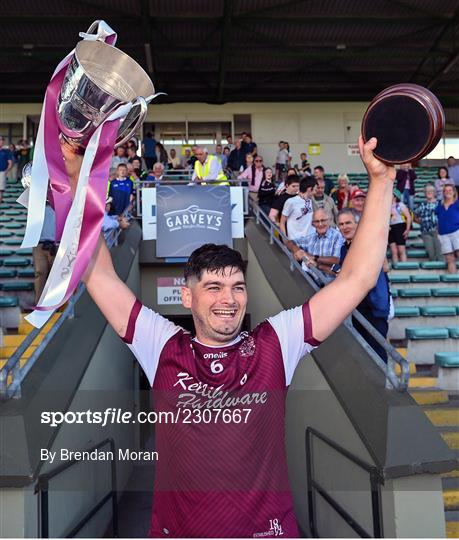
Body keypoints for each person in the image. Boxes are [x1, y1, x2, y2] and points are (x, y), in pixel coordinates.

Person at [61, 134, 394, 538]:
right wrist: (77, 175)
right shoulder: (162, 344)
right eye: (214, 288)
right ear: (187, 296)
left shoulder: (276, 343)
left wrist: (381, 180)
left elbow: (357, 279)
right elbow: (99, 272)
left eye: (237, 287)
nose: (229, 299)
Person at [335, 208, 390, 363]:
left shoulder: (369, 244)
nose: (344, 227)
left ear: (357, 224)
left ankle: (380, 385)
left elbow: (381, 270)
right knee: (364, 350)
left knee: (377, 349)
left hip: (375, 307)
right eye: (341, 224)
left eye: (348, 223)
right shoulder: (344, 249)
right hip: (358, 306)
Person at [287, 208, 343, 277]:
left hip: (331, 282)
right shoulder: (310, 238)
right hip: (313, 281)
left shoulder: (338, 236)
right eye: (316, 221)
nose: (320, 224)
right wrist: (297, 251)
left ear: (330, 220)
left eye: (323, 220)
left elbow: (336, 260)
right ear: (312, 223)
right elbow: (289, 242)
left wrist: (313, 257)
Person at [32, 202, 57, 304]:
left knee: (56, 276)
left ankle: (56, 305)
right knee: (40, 274)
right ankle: (39, 304)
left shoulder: (62, 206)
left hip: (56, 245)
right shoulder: (35, 206)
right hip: (39, 244)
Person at [413, 184, 443, 262]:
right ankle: (434, 271)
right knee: (431, 254)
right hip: (426, 232)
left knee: (440, 253)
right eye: (427, 191)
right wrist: (419, 221)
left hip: (438, 232)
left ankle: (441, 271)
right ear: (425, 193)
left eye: (431, 191)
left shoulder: (440, 204)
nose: (429, 192)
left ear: (435, 192)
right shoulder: (422, 205)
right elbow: (413, 215)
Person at [436, 184, 459, 274]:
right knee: (449, 259)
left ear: (454, 192)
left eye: (450, 190)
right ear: (443, 193)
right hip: (443, 235)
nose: (448, 192)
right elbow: (438, 220)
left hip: (456, 231)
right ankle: (453, 281)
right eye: (446, 190)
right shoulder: (439, 206)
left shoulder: (457, 203)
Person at [389, 189, 411, 263]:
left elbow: (408, 217)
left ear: (395, 196)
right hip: (390, 228)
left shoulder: (400, 205)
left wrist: (407, 230)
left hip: (400, 227)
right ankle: (396, 266)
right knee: (393, 250)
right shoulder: (386, 206)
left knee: (401, 250)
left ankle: (404, 266)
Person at [0, 136, 12, 203]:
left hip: (2, 172)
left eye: (1, 140)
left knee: (1, 188)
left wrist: (6, 171)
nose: (0, 141)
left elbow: (10, 162)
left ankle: (0, 200)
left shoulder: (6, 152)